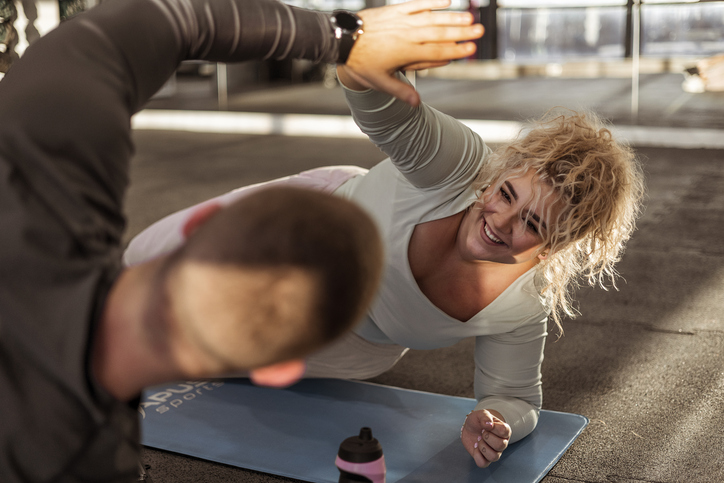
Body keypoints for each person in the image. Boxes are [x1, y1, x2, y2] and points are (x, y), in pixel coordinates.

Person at [0, 0, 484, 480]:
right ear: (280, 369)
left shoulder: (45, 174)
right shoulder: (81, 467)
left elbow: (162, 20)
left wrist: (344, 37)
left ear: (199, 221)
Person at [126, 70, 646, 469]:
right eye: (506, 193)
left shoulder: (524, 303)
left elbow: (516, 398)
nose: (499, 220)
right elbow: (381, 106)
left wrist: (498, 422)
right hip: (293, 236)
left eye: (530, 223)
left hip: (345, 346)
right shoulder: (458, 165)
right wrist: (371, 57)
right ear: (498, 177)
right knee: (139, 263)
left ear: (555, 246)